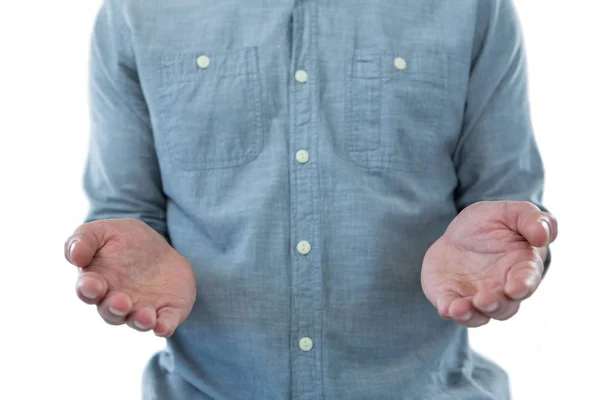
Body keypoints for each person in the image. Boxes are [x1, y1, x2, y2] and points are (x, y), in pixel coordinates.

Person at [64, 0, 559, 398]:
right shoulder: (136, 11)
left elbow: (504, 202)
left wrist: (511, 243)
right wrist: (125, 252)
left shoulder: (473, 8)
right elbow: (127, 210)